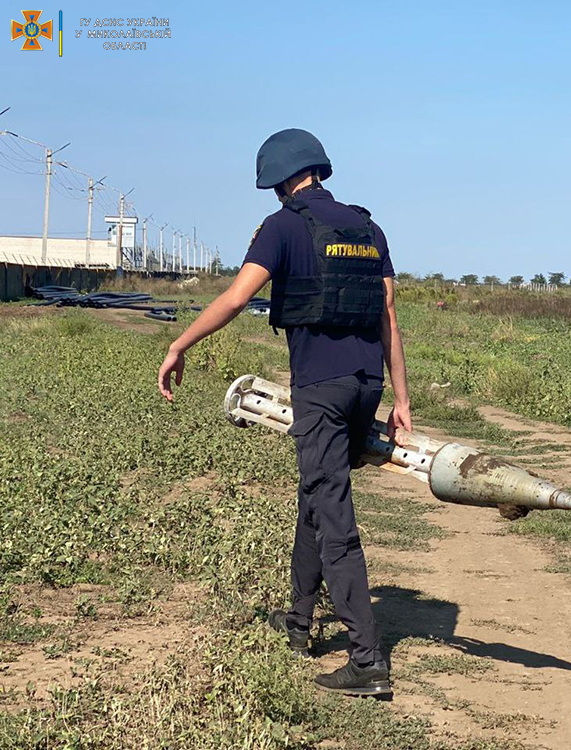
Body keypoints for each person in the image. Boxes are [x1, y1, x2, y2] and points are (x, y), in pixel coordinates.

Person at [156, 128, 411, 698]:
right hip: (366, 384)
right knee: (315, 498)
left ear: (275, 182)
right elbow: (388, 314)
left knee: (335, 514)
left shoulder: (282, 226)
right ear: (318, 169)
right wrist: (402, 398)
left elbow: (236, 297)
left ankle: (367, 661)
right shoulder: (368, 227)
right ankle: (299, 623)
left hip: (320, 389)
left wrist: (180, 345)